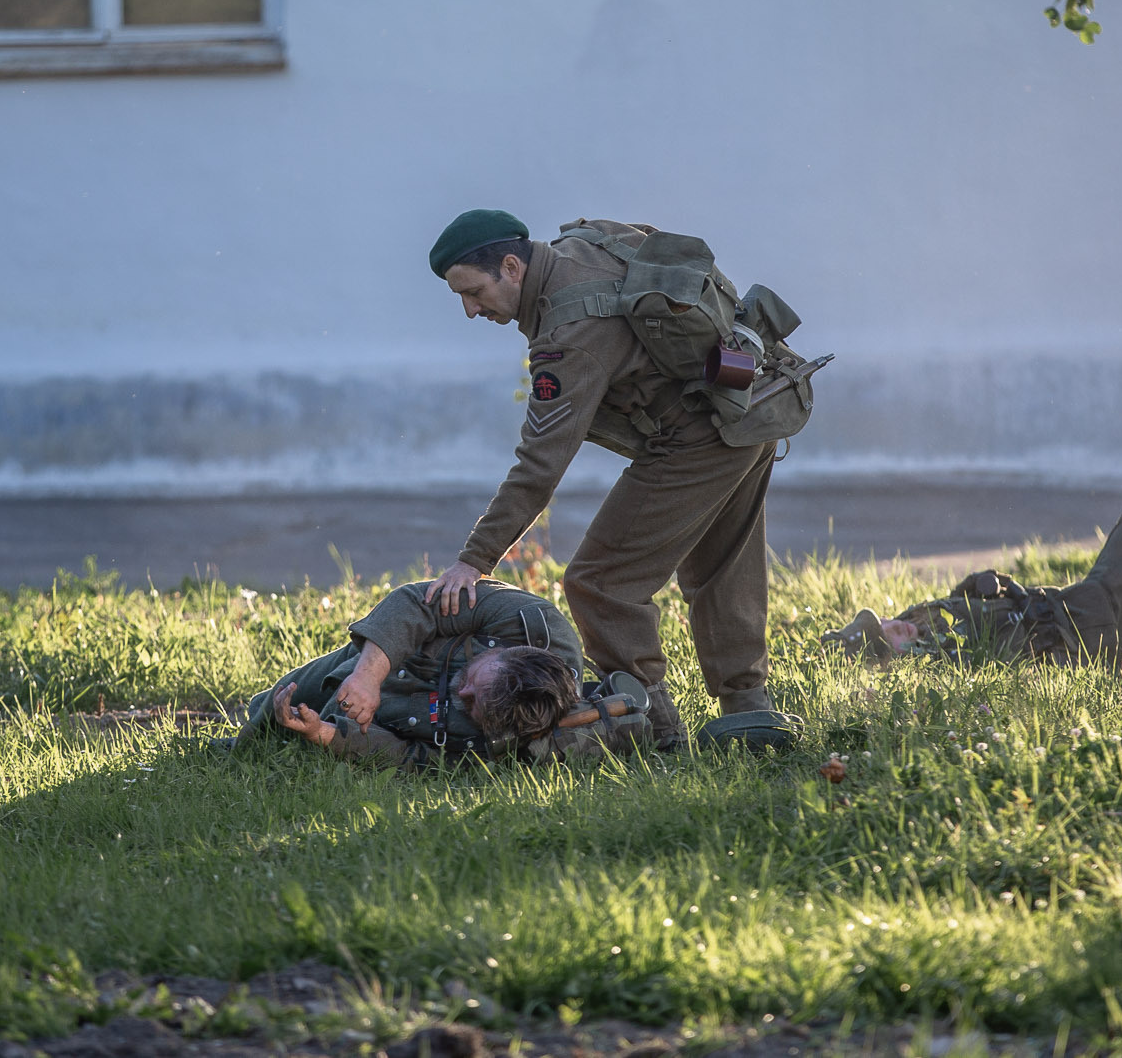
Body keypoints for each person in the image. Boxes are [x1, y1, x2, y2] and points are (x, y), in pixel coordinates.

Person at [424, 210, 804, 749]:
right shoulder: (585, 240)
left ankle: (655, 728)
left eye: (473, 292)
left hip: (699, 438)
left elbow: (540, 464)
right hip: (747, 401)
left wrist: (475, 560)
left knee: (599, 583)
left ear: (511, 266)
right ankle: (749, 711)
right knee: (722, 568)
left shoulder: (567, 336)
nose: (469, 310)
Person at [236, 576, 653, 767]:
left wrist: (325, 735)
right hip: (381, 661)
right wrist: (367, 676)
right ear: (511, 651)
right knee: (264, 713)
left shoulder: (503, 738)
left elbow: (412, 757)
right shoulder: (530, 619)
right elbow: (420, 601)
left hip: (391, 717)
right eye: (473, 682)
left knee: (292, 735)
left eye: (474, 707)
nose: (462, 696)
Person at [822, 489, 1122, 669]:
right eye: (882, 635)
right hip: (1088, 629)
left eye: (883, 620)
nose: (892, 624)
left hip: (1078, 606)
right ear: (884, 663)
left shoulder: (921, 623)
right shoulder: (934, 663)